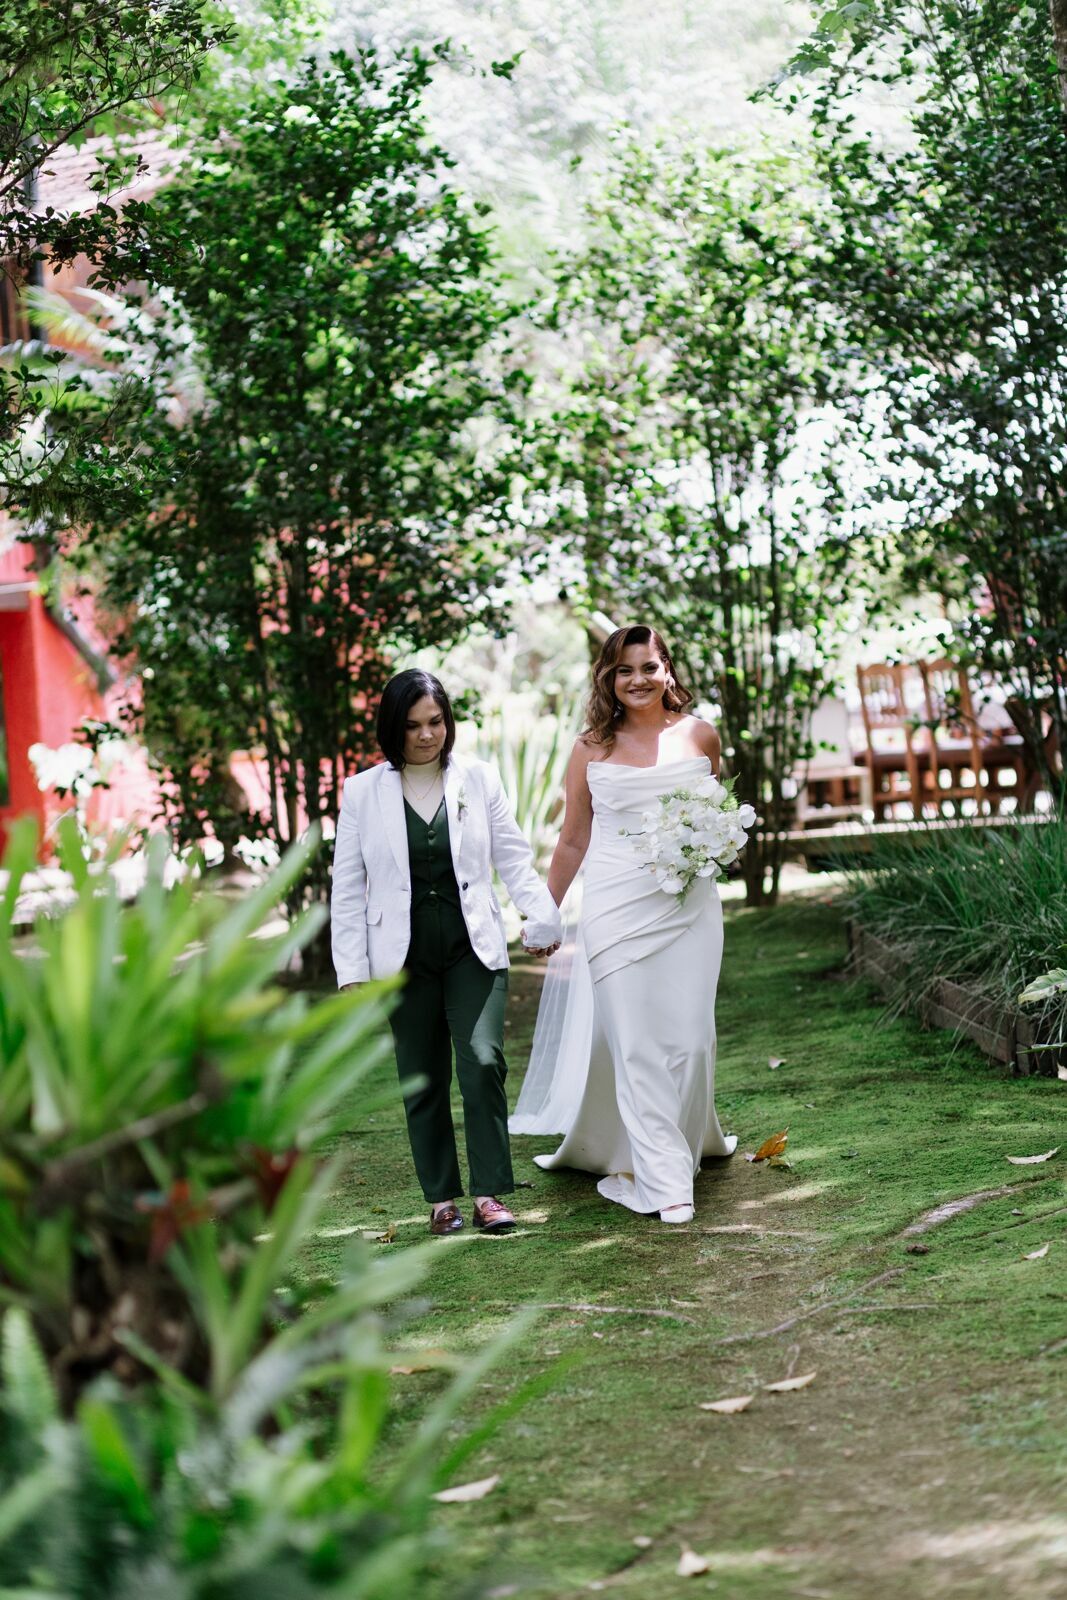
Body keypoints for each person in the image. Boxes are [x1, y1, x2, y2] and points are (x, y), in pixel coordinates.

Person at [510, 625, 736, 1225]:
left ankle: (681, 1150)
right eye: (623, 670)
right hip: (614, 906)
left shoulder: (701, 736)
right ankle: (665, 1184)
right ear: (608, 678)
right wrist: (545, 909)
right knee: (637, 1046)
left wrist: (714, 847)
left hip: (690, 907)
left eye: (648, 667)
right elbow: (573, 838)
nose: (637, 680)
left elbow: (717, 816)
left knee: (690, 1041)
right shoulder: (590, 747)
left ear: (667, 671)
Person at [331, 670, 561, 1236]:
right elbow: (346, 885)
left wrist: (541, 912)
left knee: (482, 1063)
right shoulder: (362, 792)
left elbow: (511, 856)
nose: (427, 736)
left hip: (472, 949)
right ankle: (441, 1200)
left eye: (435, 722)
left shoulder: (478, 778)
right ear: (394, 729)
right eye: (413, 726)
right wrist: (352, 971)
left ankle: (489, 1195)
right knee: (422, 1076)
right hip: (400, 958)